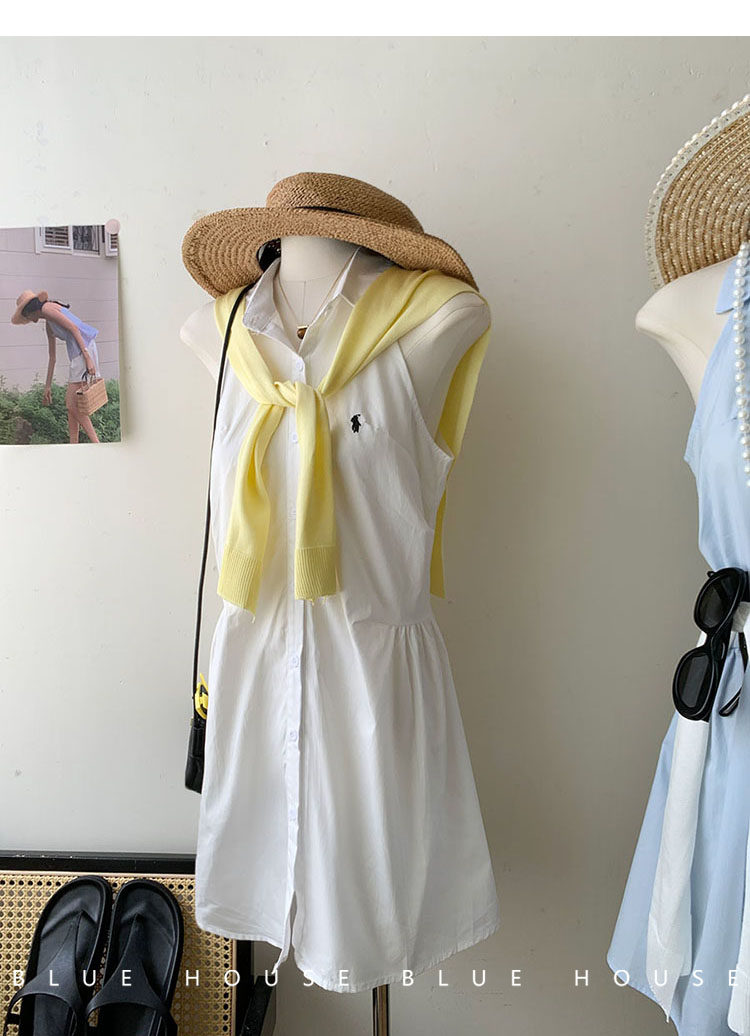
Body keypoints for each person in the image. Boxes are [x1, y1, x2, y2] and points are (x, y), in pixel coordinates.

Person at [11, 289, 102, 444]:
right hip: (79, 354)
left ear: (30, 311)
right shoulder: (48, 323)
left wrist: (87, 358)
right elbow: (52, 357)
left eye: (25, 315)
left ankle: (96, 443)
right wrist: (47, 386)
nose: (27, 319)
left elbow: (74, 328)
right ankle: (73, 444)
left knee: (71, 404)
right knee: (72, 405)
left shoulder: (48, 308)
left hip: (83, 351)